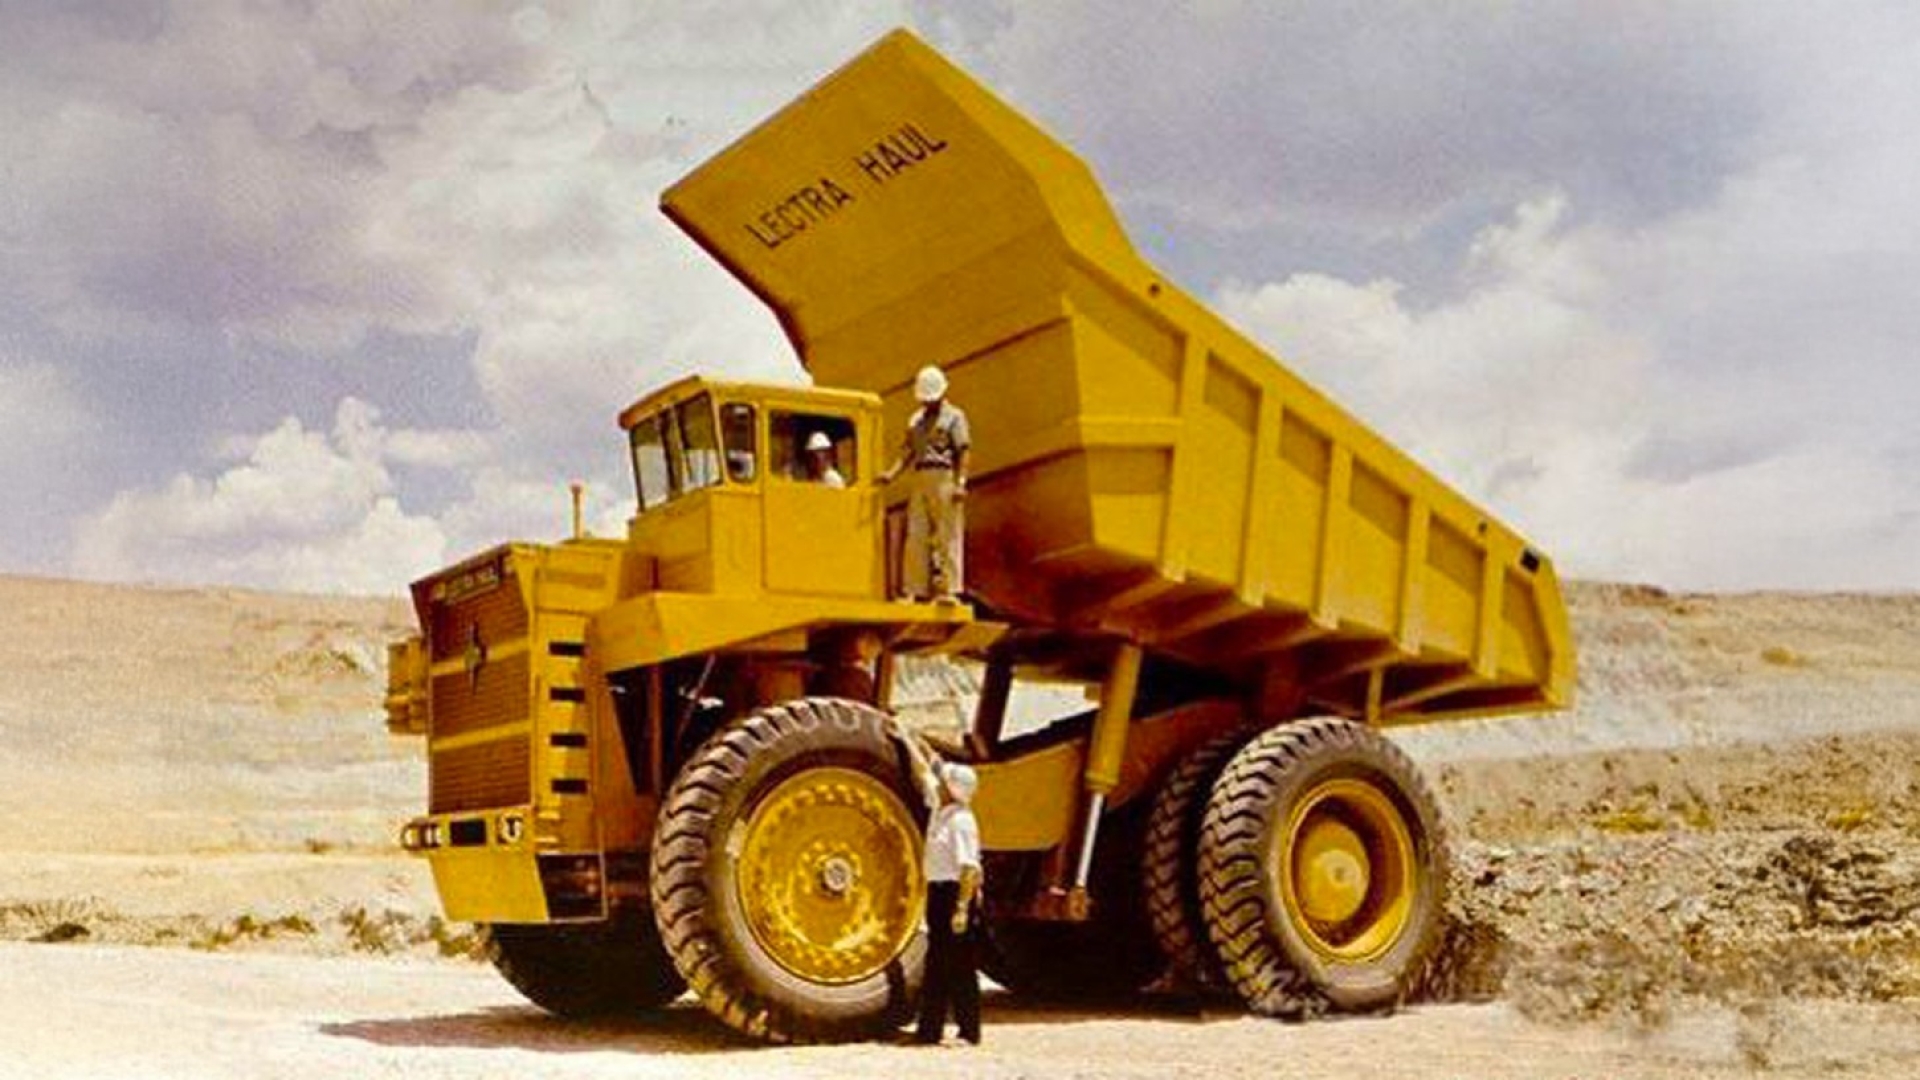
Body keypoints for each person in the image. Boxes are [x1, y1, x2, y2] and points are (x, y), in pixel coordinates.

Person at [880, 365, 969, 602]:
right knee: (916, 533)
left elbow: (962, 451)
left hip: (944, 475)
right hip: (920, 476)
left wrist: (961, 482)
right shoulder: (916, 420)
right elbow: (907, 451)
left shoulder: (954, 417)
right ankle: (913, 589)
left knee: (946, 534)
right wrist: (892, 473)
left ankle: (949, 589)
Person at [915, 762, 982, 1046]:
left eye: (944, 782)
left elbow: (969, 869)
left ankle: (969, 1031)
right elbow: (924, 772)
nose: (939, 784)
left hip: (956, 894)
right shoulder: (940, 812)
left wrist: (962, 908)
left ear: (953, 789)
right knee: (936, 962)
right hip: (937, 891)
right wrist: (903, 735)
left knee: (961, 965)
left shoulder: (961, 821)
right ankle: (929, 1031)